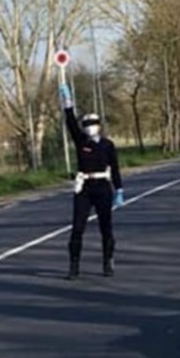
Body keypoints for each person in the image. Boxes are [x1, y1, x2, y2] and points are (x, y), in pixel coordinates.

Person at [59, 83, 124, 279]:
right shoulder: (82, 142)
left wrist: (119, 189)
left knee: (106, 226)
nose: (90, 127)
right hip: (84, 188)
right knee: (78, 227)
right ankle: (74, 265)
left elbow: (115, 167)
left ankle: (108, 262)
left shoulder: (107, 145)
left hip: (103, 187)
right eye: (86, 125)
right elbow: (70, 123)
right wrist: (68, 104)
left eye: (93, 123)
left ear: (100, 125)